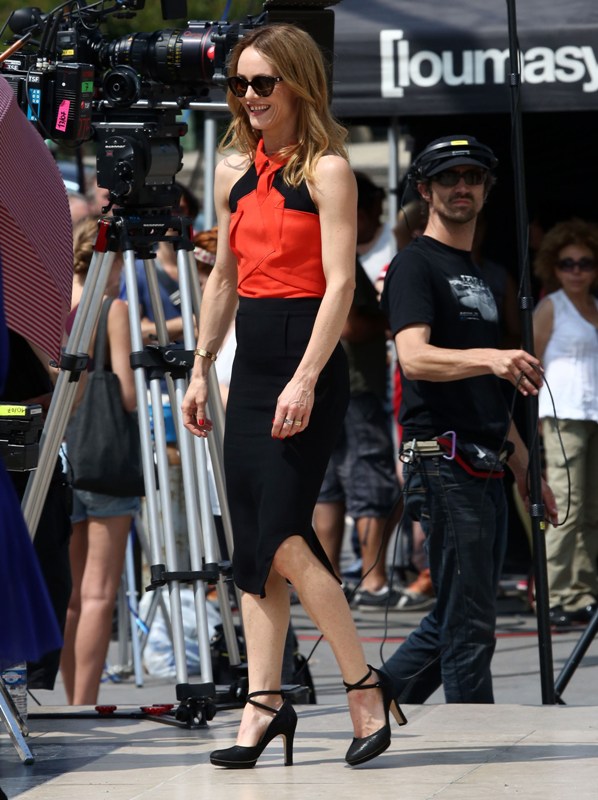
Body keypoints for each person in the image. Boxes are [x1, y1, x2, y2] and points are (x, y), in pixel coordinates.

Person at [182, 23, 406, 768]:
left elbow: (341, 286)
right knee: (252, 541)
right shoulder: (232, 172)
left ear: (300, 86)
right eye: (239, 84)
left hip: (309, 357)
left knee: (282, 535)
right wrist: (200, 367)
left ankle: (364, 685)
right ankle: (264, 703)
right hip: (249, 364)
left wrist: (306, 376)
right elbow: (223, 279)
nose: (248, 97)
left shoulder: (330, 170)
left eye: (262, 83)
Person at [379, 134, 558, 703]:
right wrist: (492, 357)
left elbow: (485, 391)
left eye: (473, 177)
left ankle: (375, 705)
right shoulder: (414, 264)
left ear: (487, 190)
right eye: (449, 178)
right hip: (443, 461)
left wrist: (526, 466)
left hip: (486, 462)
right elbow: (414, 358)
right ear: (424, 190)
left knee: (460, 615)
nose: (463, 187)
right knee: (469, 623)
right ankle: (477, 731)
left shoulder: (475, 272)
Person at [60, 216, 140, 705]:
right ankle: (84, 702)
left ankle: (69, 697)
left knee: (70, 595)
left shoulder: (54, 303)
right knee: (98, 593)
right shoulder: (113, 309)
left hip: (62, 455)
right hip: (107, 458)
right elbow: (127, 394)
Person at [314, 172, 400, 610]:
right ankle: (373, 581)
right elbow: (349, 325)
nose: (378, 223)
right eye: (374, 214)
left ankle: (329, 579)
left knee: (329, 485)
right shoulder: (337, 256)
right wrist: (391, 319)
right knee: (368, 480)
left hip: (325, 387)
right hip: (354, 389)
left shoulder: (318, 250)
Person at [533, 218, 598, 628]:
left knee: (591, 510)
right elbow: (530, 363)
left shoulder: (596, 307)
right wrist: (534, 419)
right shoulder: (550, 306)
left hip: (593, 415)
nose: (576, 271)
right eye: (567, 263)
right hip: (562, 415)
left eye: (585, 263)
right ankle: (552, 594)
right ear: (553, 267)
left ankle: (581, 592)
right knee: (565, 508)